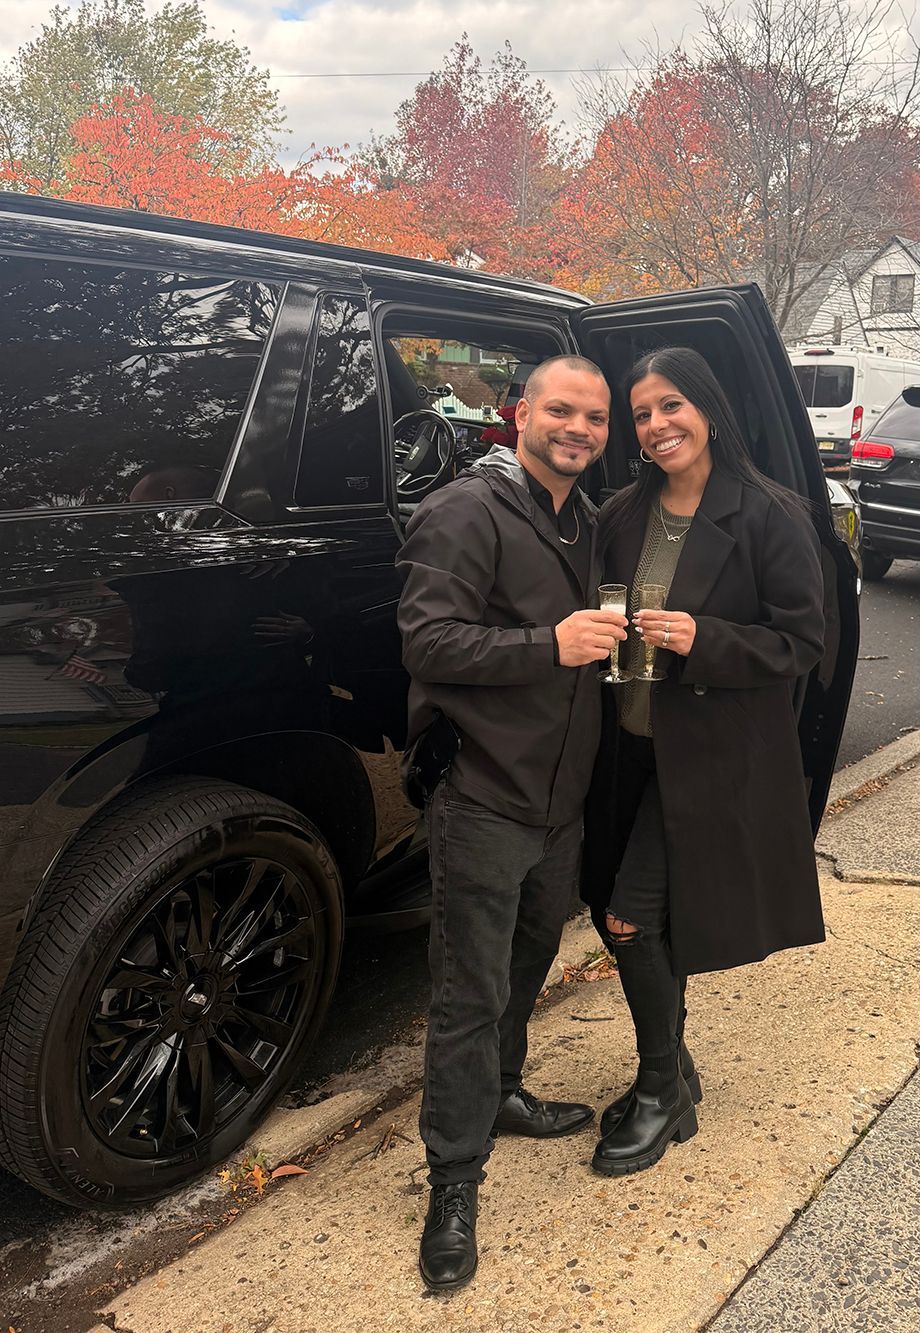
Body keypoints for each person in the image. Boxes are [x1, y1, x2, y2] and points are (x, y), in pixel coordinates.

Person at [396, 355, 628, 1292]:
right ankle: (453, 1180)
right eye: (562, 410)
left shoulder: (581, 517)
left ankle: (500, 1095)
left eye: (596, 417)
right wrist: (551, 643)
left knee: (526, 964)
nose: (579, 429)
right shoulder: (467, 510)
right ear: (518, 412)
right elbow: (427, 639)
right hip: (487, 796)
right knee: (468, 994)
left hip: (558, 805)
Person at [582, 346, 826, 1178]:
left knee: (629, 917)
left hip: (711, 754)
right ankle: (673, 1064)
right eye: (643, 413)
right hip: (628, 746)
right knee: (618, 917)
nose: (657, 425)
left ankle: (662, 1091)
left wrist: (705, 638)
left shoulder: (769, 513)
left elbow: (803, 641)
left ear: (709, 409)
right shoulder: (622, 511)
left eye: (672, 405)